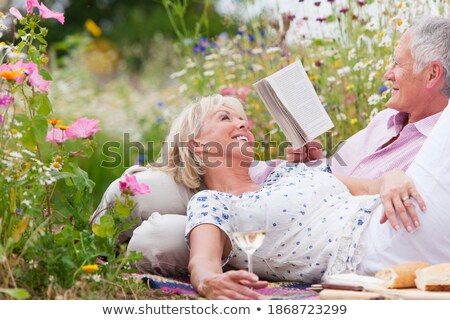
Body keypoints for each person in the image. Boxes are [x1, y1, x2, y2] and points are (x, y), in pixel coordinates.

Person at [159, 93, 450, 300]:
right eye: (225, 118)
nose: (243, 124)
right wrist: (209, 283)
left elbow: (372, 187)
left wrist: (393, 177)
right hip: (379, 240)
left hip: (401, 211)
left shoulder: (287, 174)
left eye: (243, 119)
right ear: (196, 145)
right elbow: (202, 261)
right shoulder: (214, 203)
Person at [256, 15, 450, 232]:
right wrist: (315, 162)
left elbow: (373, 207)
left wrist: (317, 179)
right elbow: (343, 173)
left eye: (397, 63)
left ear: (432, 74)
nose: (388, 74)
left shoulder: (437, 148)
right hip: (298, 187)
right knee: (233, 170)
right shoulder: (385, 118)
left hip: (319, 223)